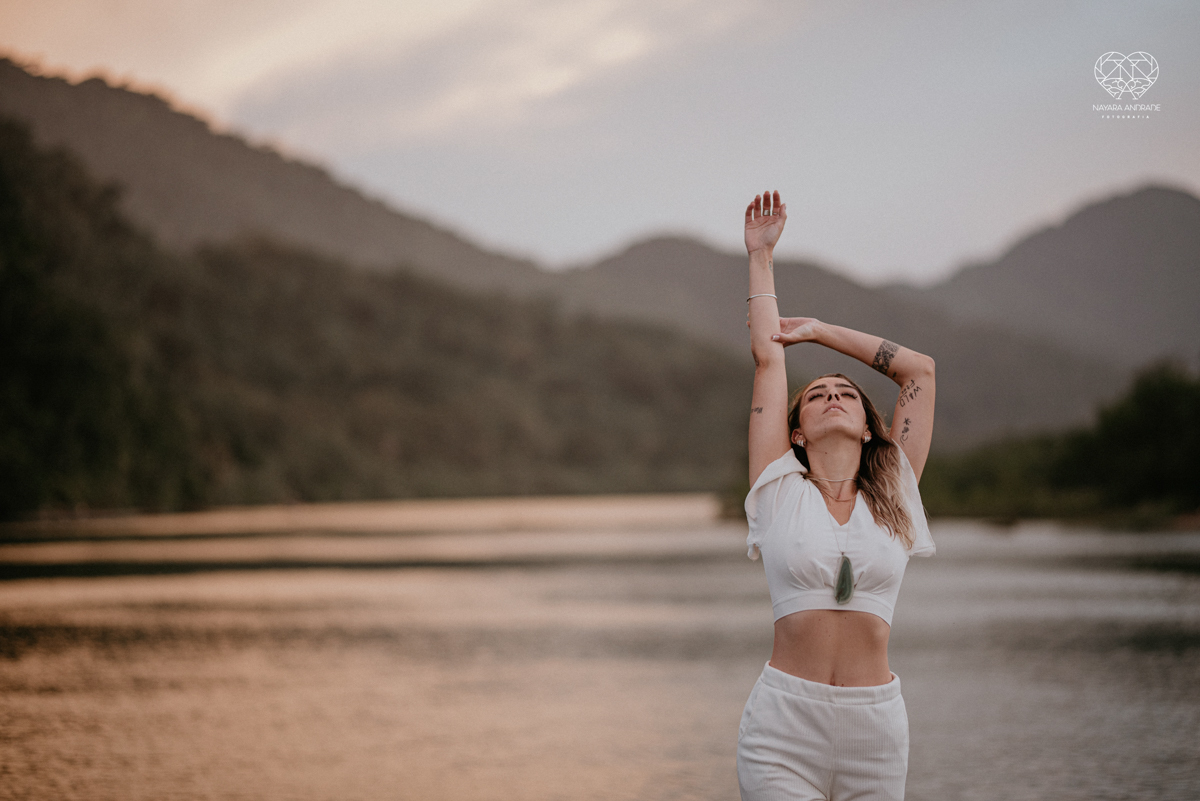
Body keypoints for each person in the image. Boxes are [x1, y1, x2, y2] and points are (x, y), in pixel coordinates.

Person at [737, 190, 937, 801]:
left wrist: (822, 333)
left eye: (846, 392)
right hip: (783, 725)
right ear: (795, 431)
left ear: (871, 423)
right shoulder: (777, 487)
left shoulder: (895, 491)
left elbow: (919, 371)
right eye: (817, 392)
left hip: (875, 727)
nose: (831, 393)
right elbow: (769, 360)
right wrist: (761, 258)